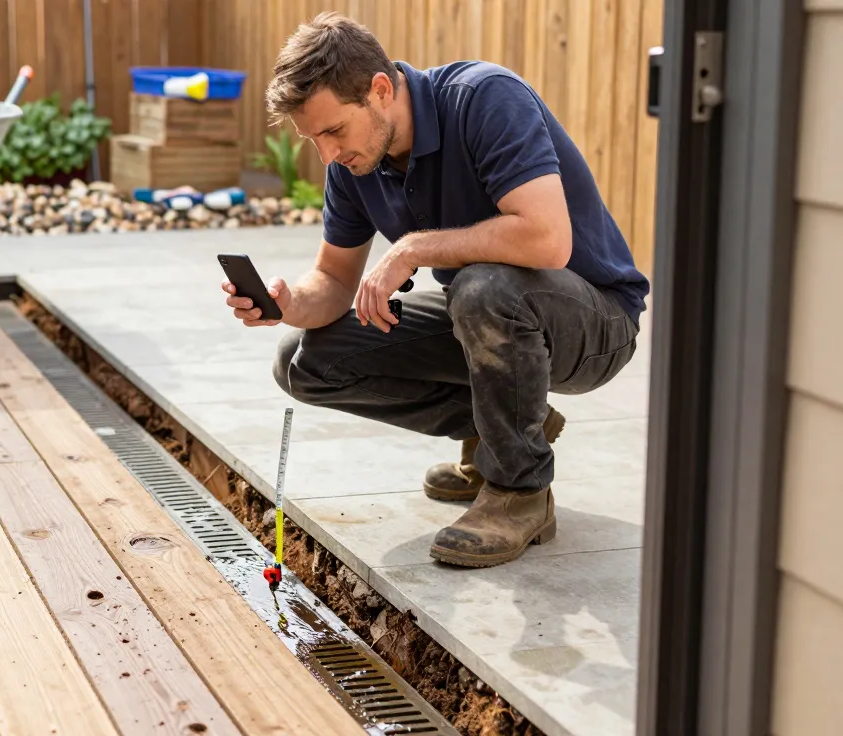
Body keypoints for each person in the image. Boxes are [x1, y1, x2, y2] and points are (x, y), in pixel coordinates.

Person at [221, 12, 649, 568]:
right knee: (304, 358)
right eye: (313, 139)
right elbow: (332, 278)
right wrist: (287, 303)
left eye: (332, 132)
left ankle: (520, 492)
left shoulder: (485, 99)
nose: (327, 155)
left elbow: (547, 240)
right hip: (487, 317)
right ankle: (508, 427)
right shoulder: (354, 163)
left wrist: (411, 249)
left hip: (595, 323)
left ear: (379, 90)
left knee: (481, 286)